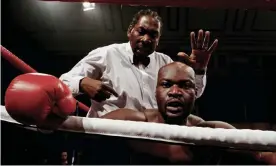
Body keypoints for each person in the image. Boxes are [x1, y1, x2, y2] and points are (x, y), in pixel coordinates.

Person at [99, 62, 271, 164]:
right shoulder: (133, 122)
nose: (175, 91)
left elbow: (263, 156)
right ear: (156, 92)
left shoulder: (210, 132)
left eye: (184, 85)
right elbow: (82, 132)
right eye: (166, 84)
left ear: (196, 93)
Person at [59, 9, 218, 117]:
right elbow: (62, 83)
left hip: (149, 141)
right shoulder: (107, 54)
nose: (146, 39)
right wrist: (82, 82)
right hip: (107, 138)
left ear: (158, 39)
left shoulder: (166, 63)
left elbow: (192, 94)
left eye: (153, 35)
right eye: (141, 32)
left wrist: (199, 71)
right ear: (130, 31)